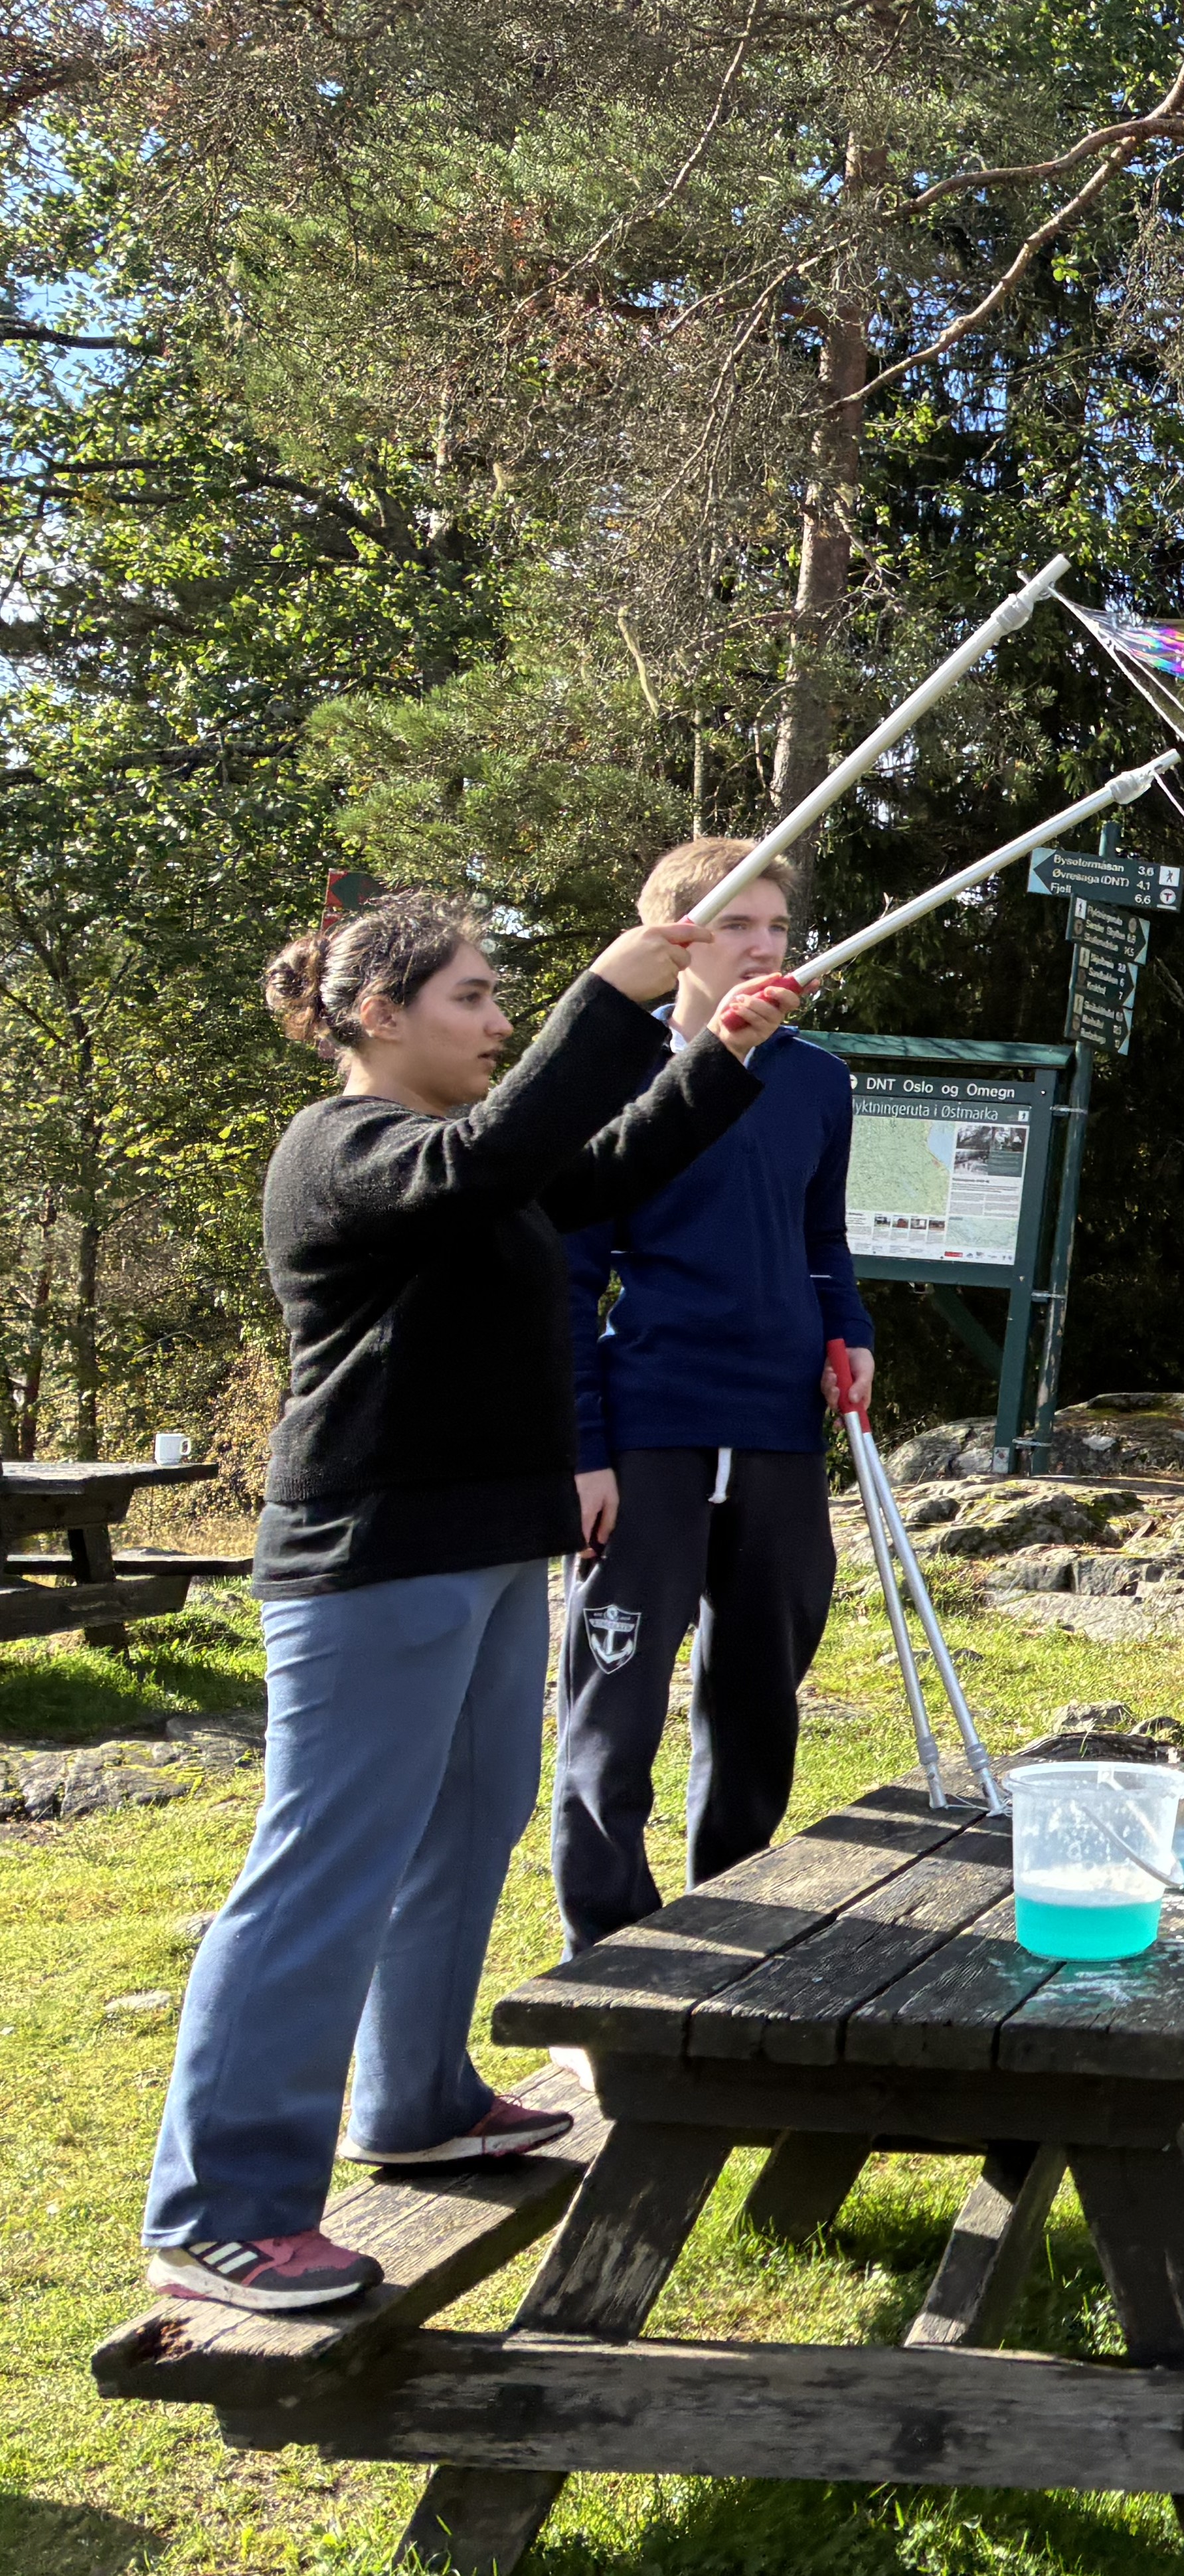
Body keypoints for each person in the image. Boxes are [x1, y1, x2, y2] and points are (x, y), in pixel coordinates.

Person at [141, 891, 796, 2313]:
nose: (501, 1024)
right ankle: (222, 2212)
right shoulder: (346, 1150)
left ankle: (419, 2099)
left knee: (463, 1832)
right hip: (376, 1556)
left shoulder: (468, 1172)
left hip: (496, 1547)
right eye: (474, 999)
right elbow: (501, 1151)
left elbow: (597, 1169)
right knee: (324, 1873)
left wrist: (721, 1054)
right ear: (378, 1015)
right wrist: (624, 989)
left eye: (509, 1001)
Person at [550, 839, 874, 1956]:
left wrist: (850, 1331)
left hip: (779, 1421)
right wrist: (584, 1448)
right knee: (619, 1697)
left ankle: (736, 1911)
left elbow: (822, 1236)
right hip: (650, 1423)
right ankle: (610, 1945)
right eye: (741, 926)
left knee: (760, 1694)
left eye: (780, 928)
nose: (767, 948)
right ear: (679, 939)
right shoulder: (610, 1079)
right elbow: (571, 1273)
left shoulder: (819, 1080)